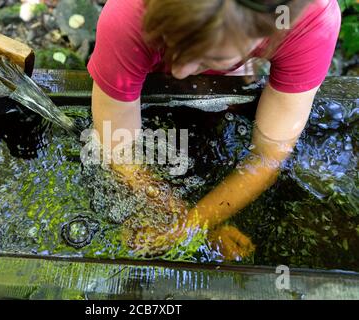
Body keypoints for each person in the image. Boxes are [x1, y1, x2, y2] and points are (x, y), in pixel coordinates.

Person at [87, 0, 341, 258]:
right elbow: (116, 147)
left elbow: (269, 155)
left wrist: (196, 224)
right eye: (171, 42)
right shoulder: (128, 14)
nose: (178, 71)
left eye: (210, 58)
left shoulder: (311, 21)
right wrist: (192, 226)